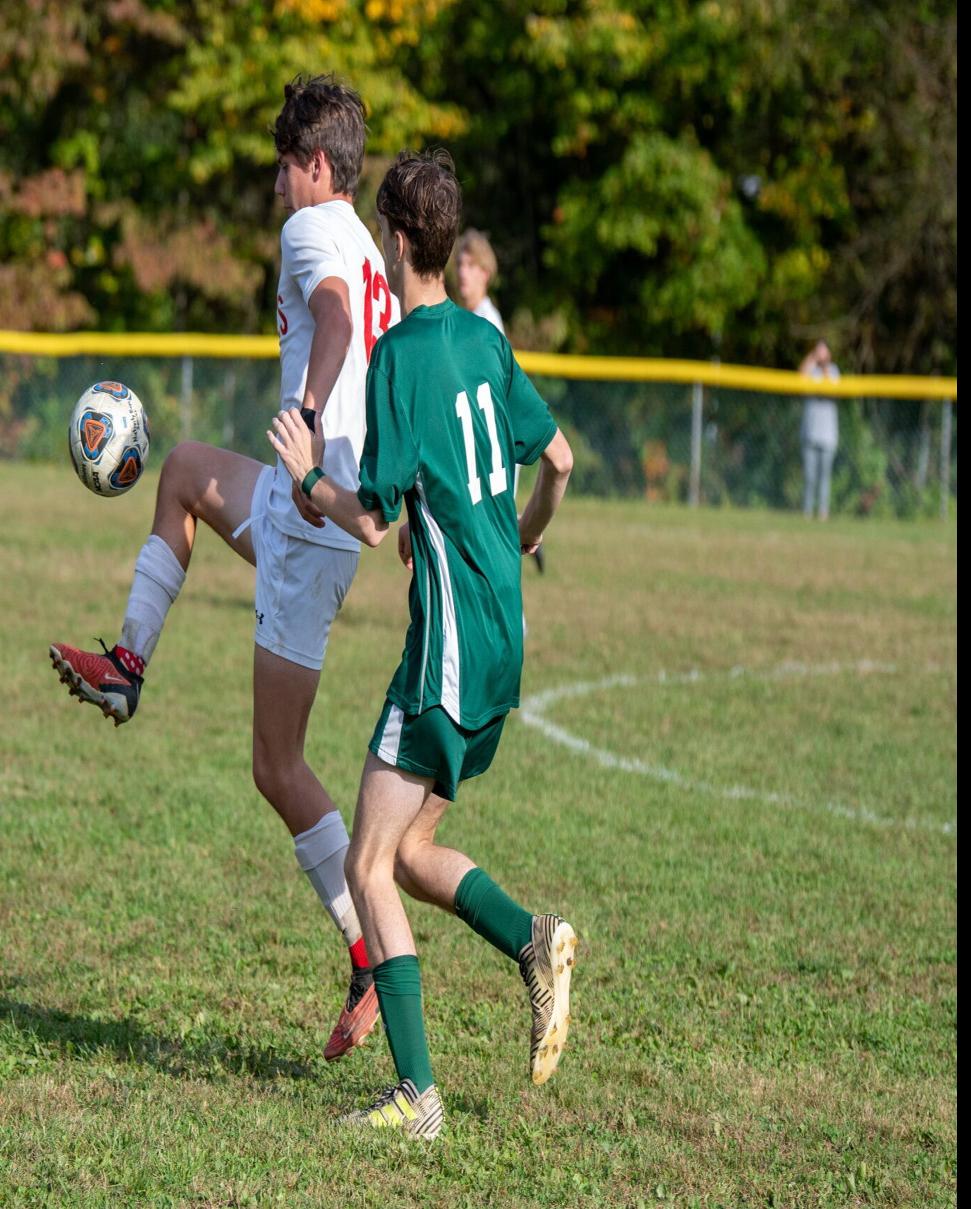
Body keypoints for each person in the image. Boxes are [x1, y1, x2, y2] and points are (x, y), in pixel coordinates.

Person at [47, 75, 396, 1062]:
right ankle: (128, 667)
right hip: (316, 510)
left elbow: (331, 324)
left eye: (286, 164)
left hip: (311, 519)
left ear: (316, 166)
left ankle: (369, 950)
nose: (278, 183)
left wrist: (313, 413)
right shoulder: (369, 243)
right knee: (189, 473)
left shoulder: (313, 232)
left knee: (274, 765)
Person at [267, 147, 577, 1139]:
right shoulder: (485, 341)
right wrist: (520, 537)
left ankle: (417, 1097)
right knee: (408, 851)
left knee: (364, 866)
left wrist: (309, 472)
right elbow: (559, 458)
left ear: (397, 239)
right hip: (503, 642)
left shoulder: (404, 355)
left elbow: (368, 519)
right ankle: (534, 939)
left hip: (443, 651)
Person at [456, 228, 545, 574]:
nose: (462, 271)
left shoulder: (485, 323)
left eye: (471, 264)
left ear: (486, 273)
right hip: (478, 444)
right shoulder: (470, 320)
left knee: (488, 543)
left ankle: (513, 621)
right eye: (460, 263)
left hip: (491, 446)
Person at [799, 340, 841, 519]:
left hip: (828, 435)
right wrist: (812, 358)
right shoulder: (811, 370)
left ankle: (823, 512)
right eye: (819, 351)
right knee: (809, 476)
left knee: (824, 477)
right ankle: (807, 512)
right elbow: (800, 377)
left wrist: (824, 364)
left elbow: (831, 386)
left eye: (824, 352)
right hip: (809, 432)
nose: (821, 355)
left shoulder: (832, 371)